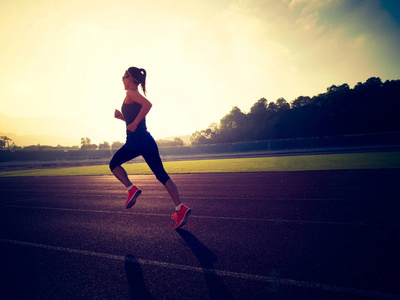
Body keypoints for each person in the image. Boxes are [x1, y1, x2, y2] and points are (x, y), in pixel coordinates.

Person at [109, 67, 191, 229]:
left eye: (124, 77)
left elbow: (148, 105)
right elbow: (134, 117)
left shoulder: (131, 93)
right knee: (162, 175)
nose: (122, 80)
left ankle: (131, 189)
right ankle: (180, 208)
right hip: (147, 141)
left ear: (131, 78)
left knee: (113, 164)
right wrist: (123, 119)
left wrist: (134, 123)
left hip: (135, 141)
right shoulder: (134, 95)